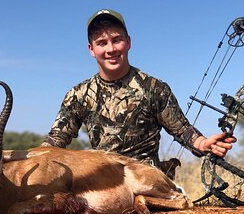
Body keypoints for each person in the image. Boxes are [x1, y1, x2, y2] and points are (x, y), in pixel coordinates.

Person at [42, 9, 236, 171]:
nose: (110, 49)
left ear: (128, 42)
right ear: (91, 49)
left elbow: (182, 131)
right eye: (102, 43)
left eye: (116, 40)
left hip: (146, 178)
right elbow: (55, 140)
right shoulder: (78, 94)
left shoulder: (154, 88)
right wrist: (28, 158)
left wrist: (203, 144)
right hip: (104, 179)